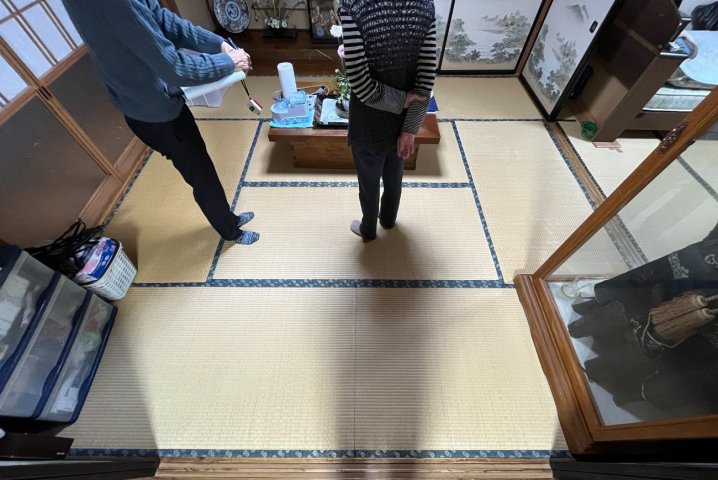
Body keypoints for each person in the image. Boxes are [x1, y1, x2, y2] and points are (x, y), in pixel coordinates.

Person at [61, 0, 260, 245]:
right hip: (154, 111)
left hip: (148, 99)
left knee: (200, 166)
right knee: (200, 172)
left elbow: (160, 18)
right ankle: (230, 231)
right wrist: (228, 63)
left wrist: (218, 44)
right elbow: (175, 68)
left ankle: (229, 220)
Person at [338, 0, 437, 241]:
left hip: (368, 122)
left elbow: (359, 82)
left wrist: (400, 100)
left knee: (369, 183)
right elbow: (425, 78)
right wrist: (410, 129)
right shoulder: (425, 5)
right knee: (394, 175)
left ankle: (368, 229)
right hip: (403, 121)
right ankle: (389, 220)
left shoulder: (352, 5)